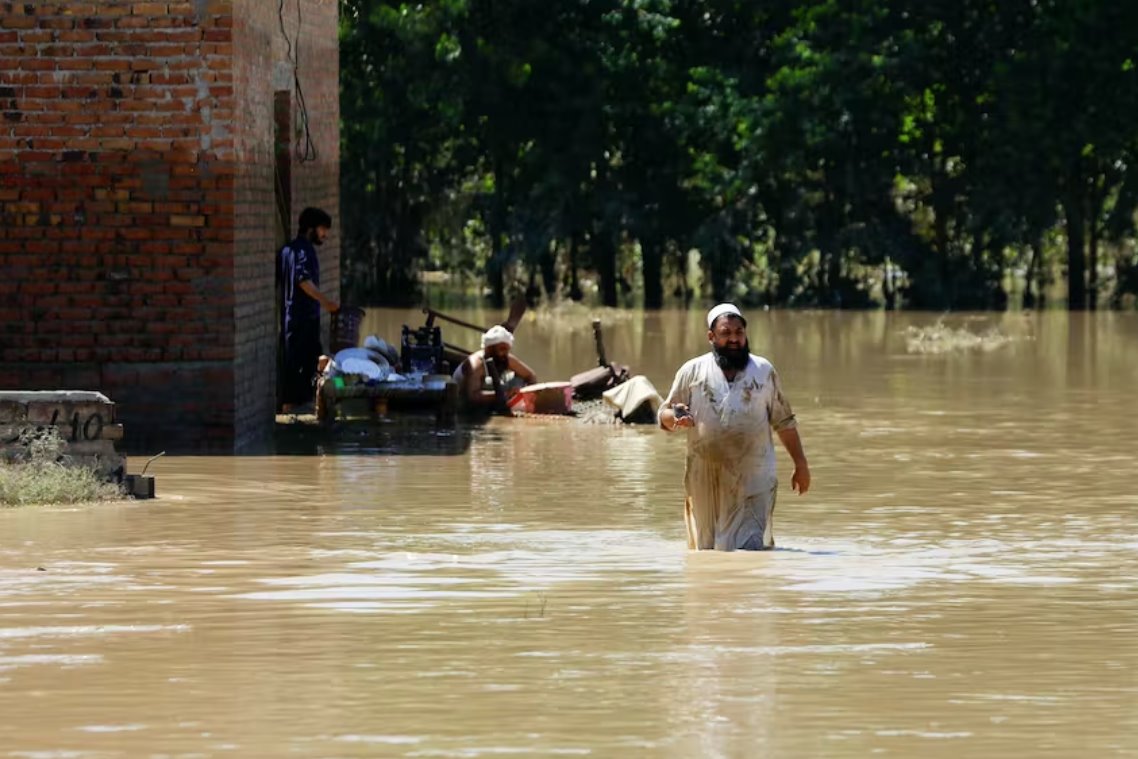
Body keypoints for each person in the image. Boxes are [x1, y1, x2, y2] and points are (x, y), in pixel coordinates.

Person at [658, 303, 811, 551]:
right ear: (711, 336)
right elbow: (664, 414)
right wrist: (675, 416)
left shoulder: (763, 371)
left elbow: (784, 421)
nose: (734, 339)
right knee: (706, 551)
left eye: (739, 333)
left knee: (749, 550)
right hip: (704, 478)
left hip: (755, 478)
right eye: (726, 333)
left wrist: (801, 464)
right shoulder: (692, 371)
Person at [279, 207, 339, 412]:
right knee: (300, 370)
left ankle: (315, 407)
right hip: (301, 320)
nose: (325, 235)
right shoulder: (303, 251)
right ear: (311, 228)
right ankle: (294, 415)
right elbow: (303, 280)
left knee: (314, 364)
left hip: (295, 320)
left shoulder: (288, 250)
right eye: (323, 229)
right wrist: (326, 302)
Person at [453, 325, 537, 408]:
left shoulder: (505, 357)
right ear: (489, 349)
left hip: (497, 394)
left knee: (518, 380)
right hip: (466, 402)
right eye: (502, 349)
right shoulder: (476, 365)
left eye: (507, 349)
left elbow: (530, 375)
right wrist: (506, 394)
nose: (505, 353)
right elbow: (473, 396)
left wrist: (529, 394)